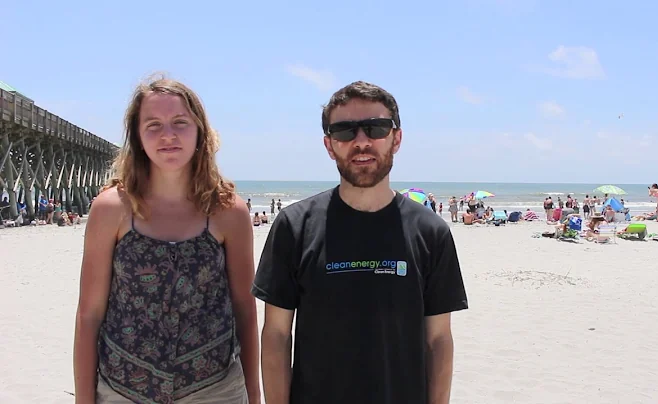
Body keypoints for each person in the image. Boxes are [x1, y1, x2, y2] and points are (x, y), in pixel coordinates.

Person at [252, 81, 468, 404]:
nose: (362, 142)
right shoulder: (294, 226)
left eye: (376, 128)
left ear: (396, 139)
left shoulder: (431, 233)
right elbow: (276, 335)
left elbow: (437, 340)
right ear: (329, 145)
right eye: (345, 131)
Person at [72, 77, 260, 404]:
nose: (168, 135)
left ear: (200, 130)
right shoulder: (111, 208)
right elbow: (89, 315)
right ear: (137, 135)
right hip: (122, 390)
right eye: (153, 124)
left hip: (215, 390)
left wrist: (254, 396)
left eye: (180, 123)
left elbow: (245, 311)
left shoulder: (229, 211)